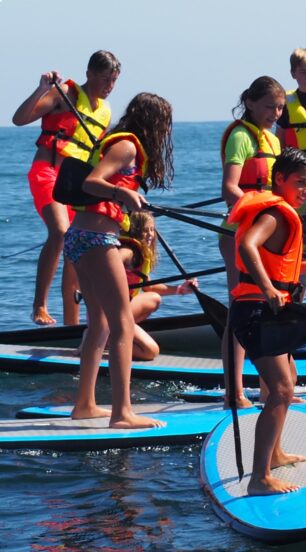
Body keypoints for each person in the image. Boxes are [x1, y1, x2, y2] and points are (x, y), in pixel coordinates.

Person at [227, 147, 306, 495]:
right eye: (298, 182)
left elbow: (275, 263)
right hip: (256, 310)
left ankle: (275, 454)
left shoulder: (284, 214)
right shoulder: (276, 213)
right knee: (282, 390)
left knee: (287, 381)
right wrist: (268, 287)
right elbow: (248, 248)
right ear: (279, 180)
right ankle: (260, 479)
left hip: (268, 308)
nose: (305, 190)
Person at [65, 92, 173, 429]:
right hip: (97, 240)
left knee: (100, 324)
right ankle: (121, 411)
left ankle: (84, 404)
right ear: (152, 122)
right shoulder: (126, 146)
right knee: (123, 322)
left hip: (81, 237)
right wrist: (121, 193)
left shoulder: (125, 146)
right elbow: (91, 182)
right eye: (163, 125)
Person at [11, 50, 120, 327]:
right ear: (89, 74)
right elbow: (19, 119)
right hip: (47, 172)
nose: (109, 86)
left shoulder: (105, 112)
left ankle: (72, 325)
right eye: (105, 79)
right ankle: (39, 306)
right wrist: (40, 89)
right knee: (60, 232)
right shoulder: (64, 95)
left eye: (114, 80)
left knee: (77, 244)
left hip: (76, 184)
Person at [220, 76, 287, 408]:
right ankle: (233, 393)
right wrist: (259, 210)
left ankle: (269, 389)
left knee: (269, 312)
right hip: (239, 234)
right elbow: (230, 188)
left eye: (279, 107)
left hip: (269, 235)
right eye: (268, 106)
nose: (274, 113)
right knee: (241, 313)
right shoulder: (241, 137)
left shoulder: (273, 141)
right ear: (249, 102)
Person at [116, 210, 198, 360]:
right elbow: (112, 263)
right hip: (111, 310)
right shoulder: (129, 250)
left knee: (154, 298)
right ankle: (110, 338)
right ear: (135, 231)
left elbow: (150, 287)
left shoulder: (139, 253)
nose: (150, 235)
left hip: (123, 305)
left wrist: (180, 289)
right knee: (150, 352)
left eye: (152, 230)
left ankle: (117, 332)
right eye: (145, 230)